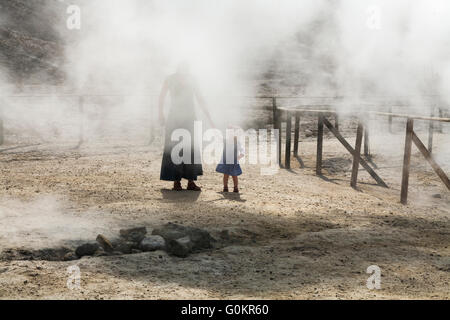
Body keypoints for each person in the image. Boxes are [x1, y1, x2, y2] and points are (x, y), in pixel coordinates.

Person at [158, 62, 214, 191]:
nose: (185, 70)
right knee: (174, 148)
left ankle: (191, 181)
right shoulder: (170, 79)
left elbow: (200, 98)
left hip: (190, 117)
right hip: (174, 117)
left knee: (191, 148)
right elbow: (161, 97)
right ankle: (176, 182)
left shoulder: (192, 79)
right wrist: (160, 114)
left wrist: (209, 117)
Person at [216, 127, 244, 193]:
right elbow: (219, 138)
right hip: (226, 161)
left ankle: (236, 187)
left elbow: (242, 149)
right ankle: (225, 187)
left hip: (234, 161)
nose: (230, 134)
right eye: (228, 133)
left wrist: (241, 155)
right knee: (226, 175)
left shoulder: (237, 141)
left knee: (234, 175)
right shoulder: (225, 140)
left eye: (231, 132)